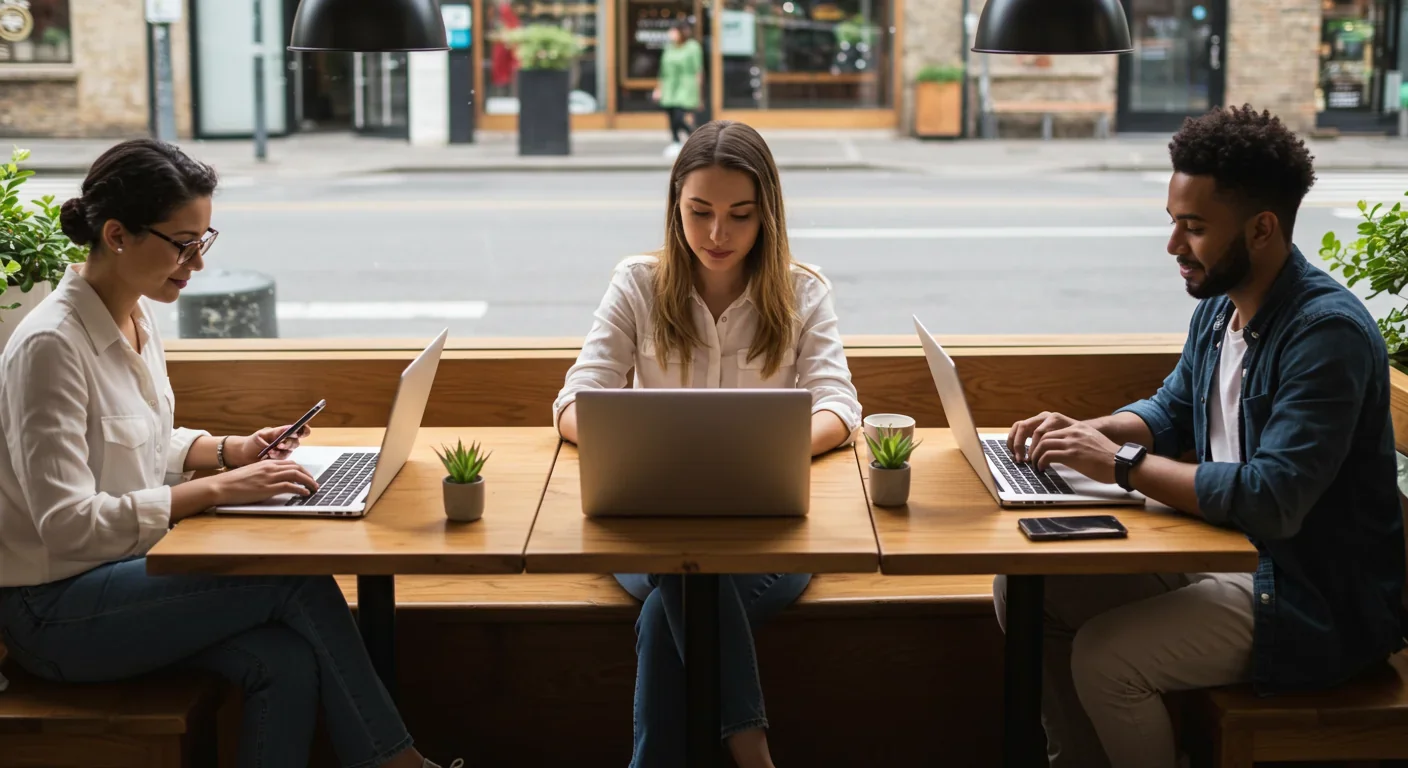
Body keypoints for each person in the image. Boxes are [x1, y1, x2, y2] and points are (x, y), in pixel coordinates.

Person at [0, 139, 457, 768]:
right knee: (289, 579)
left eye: (203, 241)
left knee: (286, 662)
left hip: (125, 579)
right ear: (117, 235)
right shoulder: (51, 346)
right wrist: (216, 491)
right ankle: (393, 761)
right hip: (52, 611)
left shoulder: (132, 314)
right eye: (183, 245)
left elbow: (139, 443)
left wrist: (227, 452)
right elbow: (67, 525)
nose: (197, 264)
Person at [995, 105, 1407, 768]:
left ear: (1263, 228)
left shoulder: (1325, 335)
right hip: (1229, 556)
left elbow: (1273, 498)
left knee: (1107, 658)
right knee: (1024, 587)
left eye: (1193, 228)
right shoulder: (1224, 307)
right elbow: (1172, 408)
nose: (1173, 246)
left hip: (1307, 594)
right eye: (1172, 223)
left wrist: (1120, 464)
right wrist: (1088, 433)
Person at [553, 120, 861, 768]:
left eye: (739, 215)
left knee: (673, 605)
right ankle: (752, 750)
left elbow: (840, 405)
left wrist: (768, 453)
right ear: (675, 208)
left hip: (766, 536)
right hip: (648, 530)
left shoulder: (803, 289)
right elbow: (573, 398)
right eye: (699, 212)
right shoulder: (638, 283)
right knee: (682, 576)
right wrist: (628, 444)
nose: (717, 235)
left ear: (766, 215)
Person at [653, 19, 703, 159]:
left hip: (686, 85)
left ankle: (696, 137)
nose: (671, 34)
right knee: (670, 114)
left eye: (673, 31)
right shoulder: (669, 47)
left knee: (678, 116)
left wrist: (699, 93)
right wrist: (658, 88)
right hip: (669, 85)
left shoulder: (693, 47)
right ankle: (675, 142)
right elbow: (662, 70)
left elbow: (697, 70)